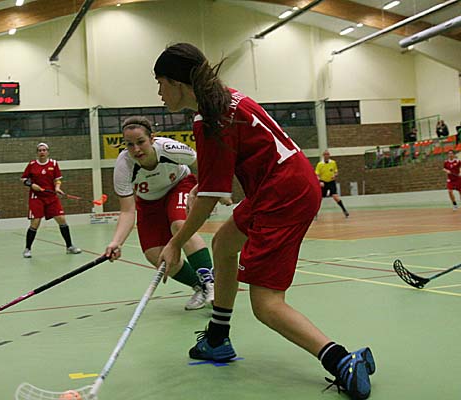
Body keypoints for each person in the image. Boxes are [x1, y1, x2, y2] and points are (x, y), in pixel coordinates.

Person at [154, 43, 374, 400]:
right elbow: (221, 175)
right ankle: (218, 338)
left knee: (266, 303)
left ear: (178, 83)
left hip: (282, 195)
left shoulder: (211, 119)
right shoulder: (226, 100)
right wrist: (204, 188)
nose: (159, 92)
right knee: (224, 244)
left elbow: (210, 199)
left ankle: (342, 360)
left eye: (160, 82)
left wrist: (175, 243)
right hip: (280, 185)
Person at [104, 116, 215, 310]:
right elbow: (128, 211)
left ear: (152, 138)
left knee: (179, 225)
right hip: (148, 202)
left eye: (141, 142)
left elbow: (205, 167)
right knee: (154, 254)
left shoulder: (170, 149)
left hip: (179, 185)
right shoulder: (123, 166)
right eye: (130, 144)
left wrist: (201, 190)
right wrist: (116, 242)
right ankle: (200, 287)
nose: (136, 149)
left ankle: (210, 282)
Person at [20, 142, 81, 258]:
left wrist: (57, 188)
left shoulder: (53, 163)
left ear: (48, 152)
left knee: (62, 219)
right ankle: (27, 249)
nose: (42, 152)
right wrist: (32, 185)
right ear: (37, 153)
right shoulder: (32, 164)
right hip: (36, 198)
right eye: (40, 150)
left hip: (51, 197)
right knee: (35, 222)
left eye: (44, 150)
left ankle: (69, 246)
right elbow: (23, 179)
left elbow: (57, 179)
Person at [316, 150, 349, 218]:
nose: (326, 156)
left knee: (335, 197)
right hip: (323, 182)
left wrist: (335, 175)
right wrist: (319, 181)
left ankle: (344, 210)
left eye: (327, 154)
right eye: (325, 154)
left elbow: (336, 172)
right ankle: (315, 213)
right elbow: (317, 174)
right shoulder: (320, 164)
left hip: (331, 182)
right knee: (319, 198)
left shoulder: (333, 163)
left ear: (329, 155)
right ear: (323, 156)